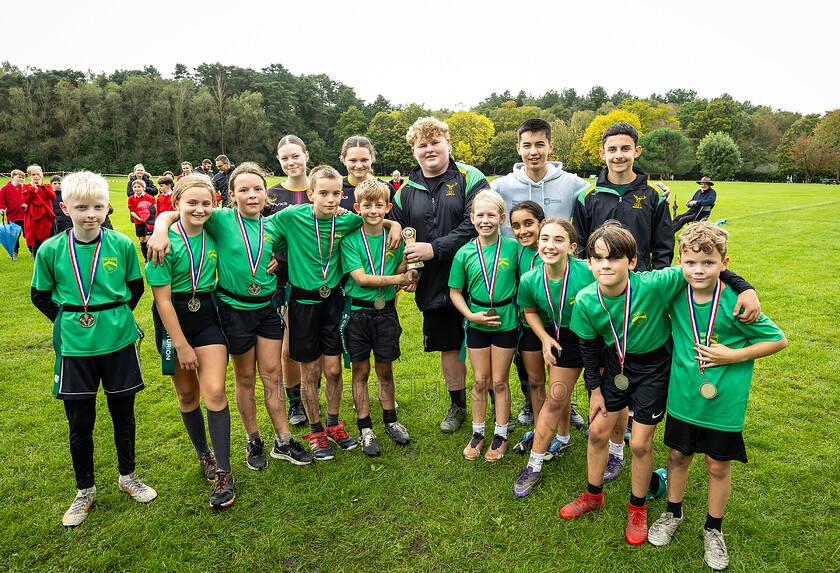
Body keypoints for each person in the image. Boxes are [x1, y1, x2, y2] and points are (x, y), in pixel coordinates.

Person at [558, 221, 760, 545]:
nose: (606, 265)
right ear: (589, 262)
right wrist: (594, 390)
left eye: (614, 258)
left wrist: (745, 287)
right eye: (598, 258)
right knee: (596, 431)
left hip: (655, 368)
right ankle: (593, 495)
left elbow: (702, 265)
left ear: (633, 262)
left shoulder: (655, 283)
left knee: (638, 443)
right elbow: (588, 347)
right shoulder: (584, 300)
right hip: (617, 366)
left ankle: (637, 508)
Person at [149, 163, 314, 470]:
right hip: (232, 309)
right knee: (246, 378)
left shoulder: (274, 225)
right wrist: (160, 228)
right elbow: (179, 209)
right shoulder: (220, 219)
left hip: (267, 308)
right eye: (244, 190)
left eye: (258, 189)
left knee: (273, 375)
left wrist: (275, 261)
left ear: (267, 193)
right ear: (231, 195)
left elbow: (271, 250)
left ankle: (284, 439)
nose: (252, 195)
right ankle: (253, 439)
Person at [647, 222, 787, 570]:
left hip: (724, 402)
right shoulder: (675, 291)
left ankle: (713, 528)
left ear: (725, 263)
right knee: (678, 456)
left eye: (708, 263)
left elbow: (778, 339)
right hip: (682, 398)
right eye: (691, 262)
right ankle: (672, 513)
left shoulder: (737, 303)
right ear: (680, 262)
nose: (698, 270)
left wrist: (733, 355)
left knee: (717, 465)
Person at [31, 170, 156, 528]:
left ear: (107, 207)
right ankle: (84, 489)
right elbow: (40, 295)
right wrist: (71, 318)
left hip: (117, 342)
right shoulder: (52, 249)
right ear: (66, 207)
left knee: (123, 413)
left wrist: (112, 317)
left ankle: (128, 476)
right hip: (75, 346)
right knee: (80, 421)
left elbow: (134, 288)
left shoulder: (120, 244)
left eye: (98, 207)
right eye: (82, 207)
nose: (91, 214)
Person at [269, 165, 401, 460]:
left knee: (333, 370)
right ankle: (315, 431)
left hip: (335, 302)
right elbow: (262, 233)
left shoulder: (349, 221)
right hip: (303, 302)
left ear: (343, 196)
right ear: (310, 193)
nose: (330, 200)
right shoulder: (291, 216)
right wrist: (271, 257)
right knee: (311, 371)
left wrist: (394, 226)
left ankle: (333, 424)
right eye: (323, 193)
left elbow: (376, 218)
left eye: (336, 194)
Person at [571, 121, 674, 479]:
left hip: (641, 299)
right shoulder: (587, 197)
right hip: (603, 303)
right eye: (611, 149)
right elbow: (583, 247)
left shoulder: (655, 195)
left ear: (636, 152)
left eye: (625, 149)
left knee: (634, 367)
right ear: (602, 154)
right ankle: (611, 439)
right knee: (605, 369)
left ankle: (624, 442)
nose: (618, 155)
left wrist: (652, 290)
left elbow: (663, 247)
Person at [391, 116, 490, 433]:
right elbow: (402, 235)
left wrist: (434, 249)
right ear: (414, 151)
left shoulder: (469, 176)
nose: (430, 149)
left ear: (448, 143)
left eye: (435, 142)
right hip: (435, 283)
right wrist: (409, 268)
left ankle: (494, 406)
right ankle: (458, 406)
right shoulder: (404, 191)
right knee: (449, 346)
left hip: (478, 275)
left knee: (486, 342)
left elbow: (475, 222)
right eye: (423, 145)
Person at [145, 174, 235, 509]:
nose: (199, 209)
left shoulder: (213, 229)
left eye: (206, 203)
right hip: (173, 320)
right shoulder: (163, 242)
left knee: (214, 391)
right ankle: (204, 456)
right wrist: (181, 345)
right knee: (187, 394)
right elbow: (162, 300)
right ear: (177, 203)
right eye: (191, 203)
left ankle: (225, 473)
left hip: (208, 314)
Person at [513, 218, 594, 497]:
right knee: (556, 397)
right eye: (545, 239)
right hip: (565, 337)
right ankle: (534, 465)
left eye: (558, 240)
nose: (550, 245)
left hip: (600, 338)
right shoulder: (530, 279)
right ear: (537, 244)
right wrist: (546, 338)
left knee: (606, 399)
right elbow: (530, 310)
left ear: (572, 247)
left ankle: (617, 452)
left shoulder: (590, 271)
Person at [340, 178, 416, 456]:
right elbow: (361, 278)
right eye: (367, 205)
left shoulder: (395, 238)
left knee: (385, 370)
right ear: (358, 207)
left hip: (386, 313)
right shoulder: (350, 240)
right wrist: (399, 277)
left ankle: (391, 421)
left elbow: (406, 268)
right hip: (358, 312)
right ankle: (365, 428)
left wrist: (411, 275)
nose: (373, 210)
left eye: (379, 205)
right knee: (360, 372)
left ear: (388, 207)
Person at [449, 190, 521, 461]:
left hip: (506, 322)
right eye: (480, 215)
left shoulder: (514, 248)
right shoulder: (465, 252)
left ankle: (500, 433)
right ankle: (478, 432)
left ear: (502, 218)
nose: (486, 220)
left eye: (492, 215)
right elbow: (455, 291)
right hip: (478, 322)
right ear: (472, 218)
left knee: (499, 380)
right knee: (480, 380)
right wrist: (470, 315)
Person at [264, 134, 313, 428]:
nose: (291, 162)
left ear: (306, 155)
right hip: (283, 280)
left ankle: (314, 396)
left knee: (318, 344)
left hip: (319, 278)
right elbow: (258, 230)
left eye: (296, 156)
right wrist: (268, 254)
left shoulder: (322, 187)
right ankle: (295, 401)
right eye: (285, 158)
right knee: (287, 346)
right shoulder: (270, 193)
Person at [493, 118, 591, 238]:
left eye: (539, 145)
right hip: (515, 257)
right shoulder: (500, 187)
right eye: (527, 146)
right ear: (519, 149)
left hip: (556, 255)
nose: (533, 152)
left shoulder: (572, 183)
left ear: (550, 147)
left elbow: (602, 201)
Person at [339, 135, 395, 212]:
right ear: (343, 160)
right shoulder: (337, 188)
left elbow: (394, 221)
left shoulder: (386, 188)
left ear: (372, 158)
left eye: (364, 160)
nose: (359, 166)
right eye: (353, 160)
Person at [22, 164, 57, 257]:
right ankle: (37, 262)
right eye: (33, 175)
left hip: (48, 217)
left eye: (38, 174)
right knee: (36, 243)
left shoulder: (47, 186)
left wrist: (42, 187)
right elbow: (26, 201)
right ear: (29, 176)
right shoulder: (26, 187)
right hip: (34, 218)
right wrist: (34, 190)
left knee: (51, 241)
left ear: (42, 175)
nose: (36, 176)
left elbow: (52, 197)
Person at [0, 169, 26, 258]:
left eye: (23, 178)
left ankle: (32, 251)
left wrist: (27, 205)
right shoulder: (5, 189)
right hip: (13, 216)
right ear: (12, 178)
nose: (21, 179)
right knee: (14, 236)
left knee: (29, 235)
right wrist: (2, 208)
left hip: (26, 215)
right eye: (19, 177)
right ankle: (15, 253)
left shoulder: (26, 188)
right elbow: (1, 201)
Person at [128, 178, 155, 261]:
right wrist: (139, 218)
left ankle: (153, 257)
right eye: (135, 187)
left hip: (148, 221)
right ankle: (146, 259)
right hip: (138, 221)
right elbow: (132, 211)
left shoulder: (149, 197)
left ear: (143, 188)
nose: (137, 189)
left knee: (148, 239)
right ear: (132, 188)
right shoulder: (131, 198)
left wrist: (148, 217)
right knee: (142, 239)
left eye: (139, 187)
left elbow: (154, 207)